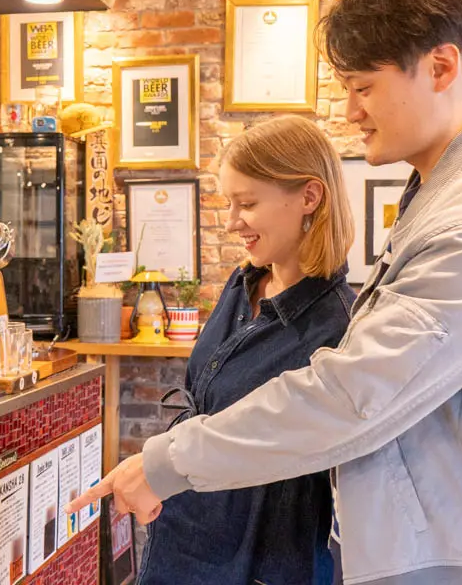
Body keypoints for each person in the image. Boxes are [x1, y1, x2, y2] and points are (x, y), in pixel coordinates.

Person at [70, 0, 462, 585]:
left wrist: (166, 464)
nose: (350, 111)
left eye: (363, 87)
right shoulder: (454, 198)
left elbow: (351, 397)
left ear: (440, 68)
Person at [138, 115, 355, 585]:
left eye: (248, 204)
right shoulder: (243, 284)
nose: (232, 222)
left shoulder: (338, 326)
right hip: (184, 536)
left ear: (309, 197)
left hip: (258, 560)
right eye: (229, 204)